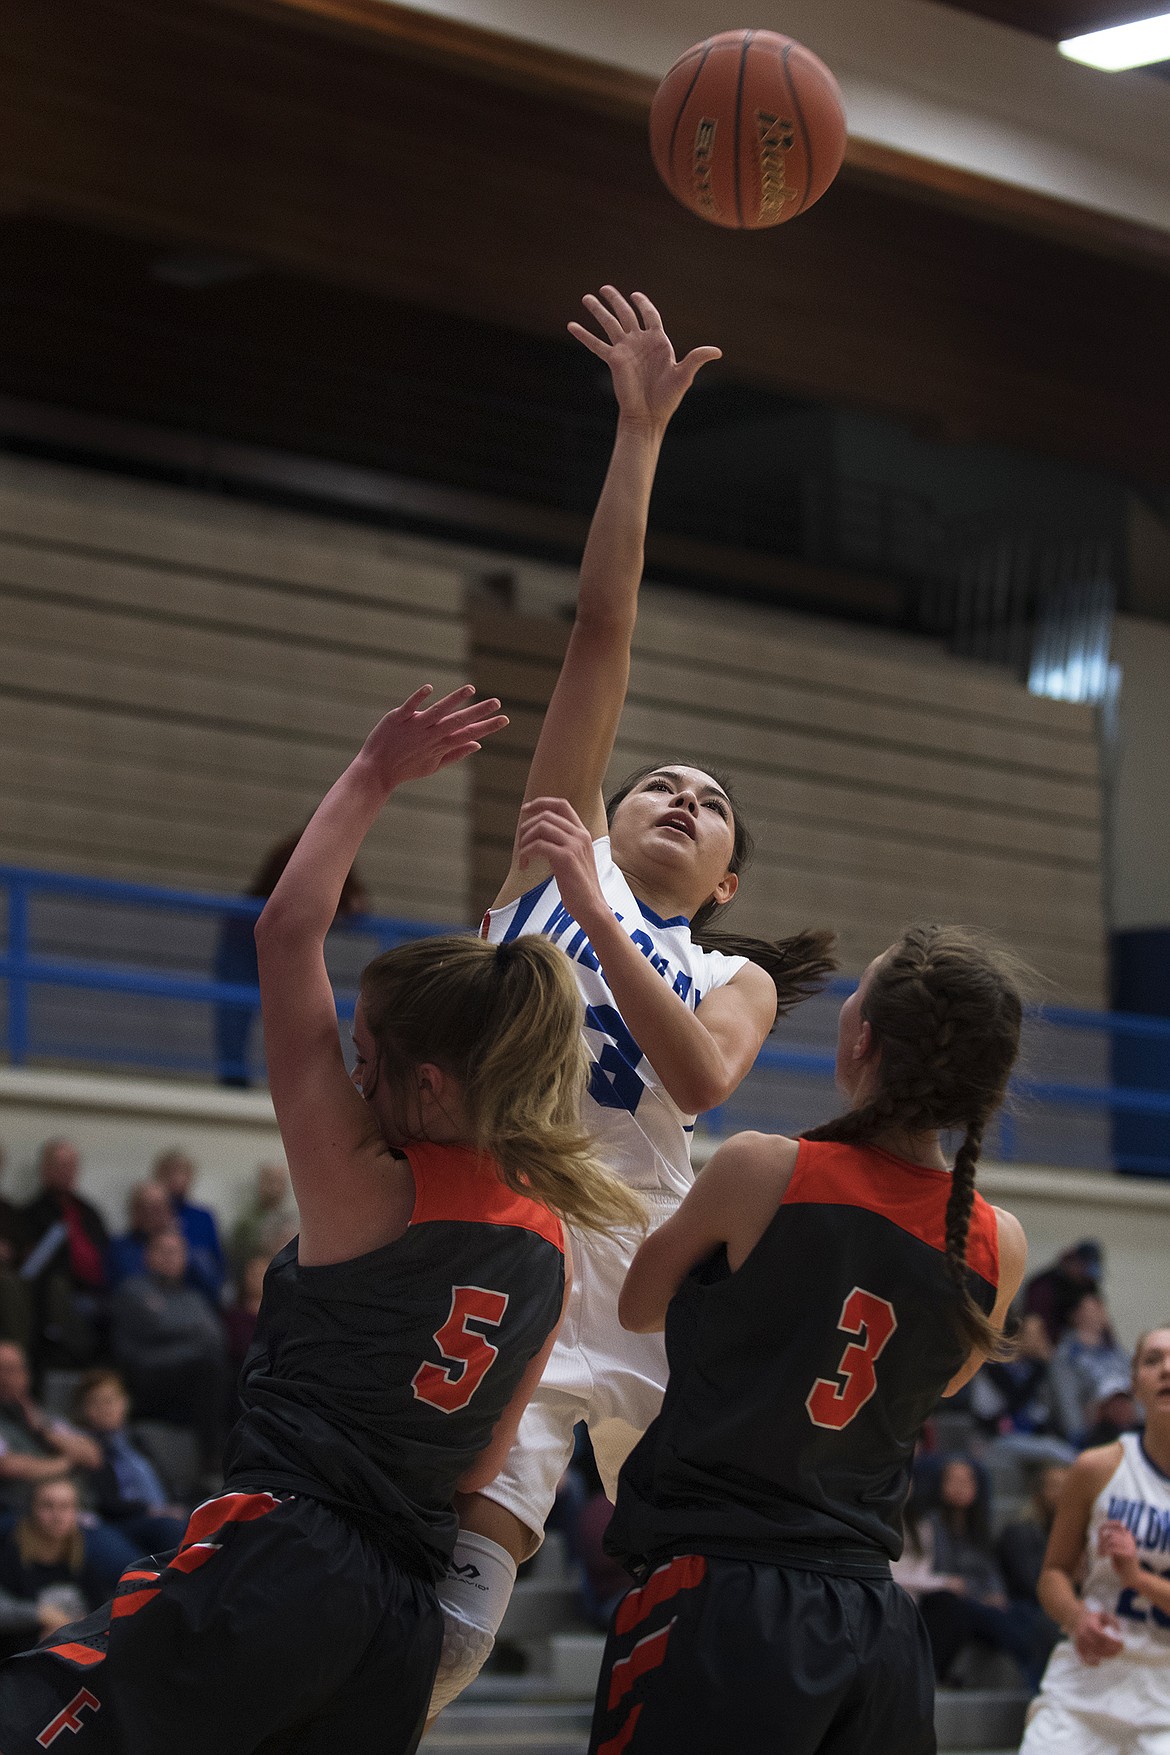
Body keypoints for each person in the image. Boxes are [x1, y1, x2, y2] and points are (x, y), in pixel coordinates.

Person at [0, 682, 642, 1755]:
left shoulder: (371, 1185)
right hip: (395, 1622)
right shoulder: (550, 1241)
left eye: (364, 1059)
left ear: (430, 1085)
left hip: (278, 1557)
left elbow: (286, 932)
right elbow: (482, 1467)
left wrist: (373, 774)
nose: (348, 1074)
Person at [439, 287, 835, 1712]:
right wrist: (639, 430)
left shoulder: (726, 970)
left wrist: (601, 908)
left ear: (725, 878)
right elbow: (601, 623)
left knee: (759, 1565)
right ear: (605, 804)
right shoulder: (553, 855)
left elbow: (707, 1079)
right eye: (661, 776)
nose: (682, 792)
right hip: (522, 1246)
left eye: (713, 800)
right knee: (463, 1584)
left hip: (665, 1290)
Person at [585, 923, 1029, 1755]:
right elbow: (938, 1381)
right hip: (876, 1620)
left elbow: (639, 1306)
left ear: (862, 1037)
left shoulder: (763, 1167)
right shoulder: (996, 1240)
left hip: (726, 1597)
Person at [1020, 1325, 1170, 1754]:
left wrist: (1137, 1578)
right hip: (1088, 1688)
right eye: (1152, 1360)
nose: (1167, 1370)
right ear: (1134, 1385)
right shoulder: (1096, 1468)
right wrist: (1075, 1616)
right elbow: (1053, 1573)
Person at [213, 830, 368, 1087]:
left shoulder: (337, 856)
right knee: (236, 1007)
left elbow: (356, 904)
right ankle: (235, 1077)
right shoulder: (295, 853)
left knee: (290, 1012)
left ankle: (283, 1083)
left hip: (275, 942)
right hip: (246, 937)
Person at [895, 1457, 1047, 1689]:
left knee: (1028, 1615)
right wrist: (980, 1595)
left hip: (976, 1598)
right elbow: (940, 1571)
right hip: (948, 1599)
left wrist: (995, 1594)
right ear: (939, 1484)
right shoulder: (932, 1524)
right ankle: (1035, 1685)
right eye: (953, 1480)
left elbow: (990, 1569)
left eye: (967, 1480)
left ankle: (1035, 1682)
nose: (960, 1486)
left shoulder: (978, 1526)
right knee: (1009, 1629)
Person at [108, 1228, 231, 1472]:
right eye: (163, 1251)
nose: (170, 1258)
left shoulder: (193, 1297)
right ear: (148, 1256)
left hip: (187, 1379)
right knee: (208, 1366)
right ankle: (211, 1461)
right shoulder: (133, 1291)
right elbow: (157, 1328)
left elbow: (217, 1336)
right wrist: (195, 1336)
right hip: (145, 1376)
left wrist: (183, 1335)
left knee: (240, 1372)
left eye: (176, 1252)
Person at [72, 1370, 186, 1555]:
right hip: (123, 1522)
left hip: (163, 1513)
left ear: (124, 1402)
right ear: (82, 1410)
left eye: (110, 1401)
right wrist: (152, 1510)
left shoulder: (135, 1440)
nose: (104, 1409)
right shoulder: (87, 1447)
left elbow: (164, 1480)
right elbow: (107, 1503)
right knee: (170, 1527)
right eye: (95, 1403)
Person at [18, 1140, 109, 1368]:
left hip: (102, 1291)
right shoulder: (30, 1214)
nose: (65, 1172)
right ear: (44, 1169)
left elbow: (106, 1252)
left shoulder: (89, 1212)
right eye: (59, 1165)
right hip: (59, 1295)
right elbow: (31, 1268)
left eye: (71, 1166)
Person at [0, 1480, 111, 1620]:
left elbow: (101, 1614)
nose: (57, 1516)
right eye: (47, 1506)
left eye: (65, 1507)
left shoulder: (83, 1558)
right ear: (30, 1510)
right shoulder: (9, 1556)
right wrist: (40, 1616)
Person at [1049, 1290, 1133, 1448]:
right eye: (1092, 1309)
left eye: (1101, 1308)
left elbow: (1133, 1384)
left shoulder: (1115, 1349)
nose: (1099, 1313)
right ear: (1075, 1315)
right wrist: (1079, 1437)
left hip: (1129, 1426)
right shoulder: (1065, 1355)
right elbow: (1067, 1400)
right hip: (1092, 1431)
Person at [151, 1150, 226, 1304]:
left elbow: (218, 1261)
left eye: (184, 1172)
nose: (178, 1179)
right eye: (172, 1172)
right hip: (157, 1289)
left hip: (198, 1291)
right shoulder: (153, 1212)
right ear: (160, 1176)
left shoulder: (203, 1217)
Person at [228, 1162, 296, 1276]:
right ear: (260, 1183)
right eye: (271, 1181)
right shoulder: (246, 1221)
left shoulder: (292, 1219)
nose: (276, 1188)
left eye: (281, 1182)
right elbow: (239, 1260)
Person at [106, 1182, 177, 1289]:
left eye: (162, 1206)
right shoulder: (119, 1249)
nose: (158, 1214)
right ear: (135, 1211)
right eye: (150, 1207)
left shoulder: (181, 1245)